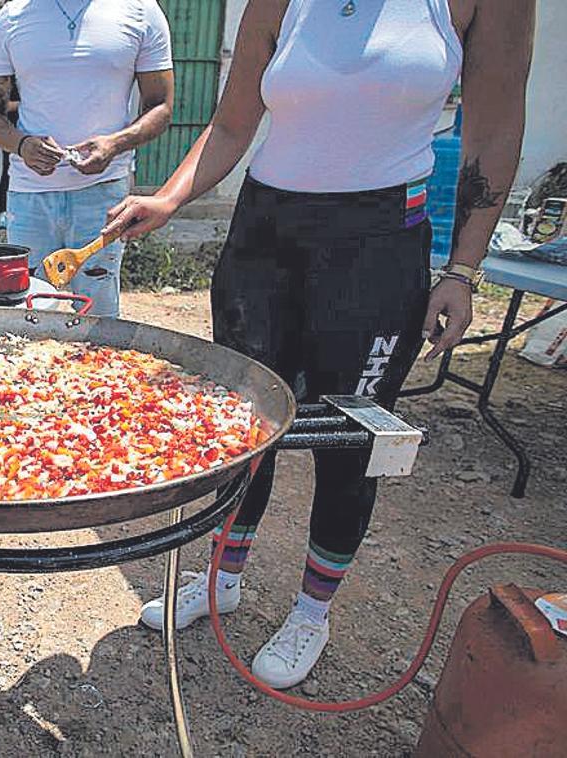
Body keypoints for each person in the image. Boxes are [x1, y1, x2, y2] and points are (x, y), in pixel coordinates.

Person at [105, 0, 534, 688]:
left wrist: (462, 268)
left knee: (351, 437)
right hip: (265, 234)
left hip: (378, 240)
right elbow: (232, 122)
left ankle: (312, 609)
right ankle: (224, 577)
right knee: (241, 425)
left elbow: (496, 125)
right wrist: (170, 197)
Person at [0, 0, 175, 318]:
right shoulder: (12, 17)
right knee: (32, 313)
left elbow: (161, 107)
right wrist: (23, 144)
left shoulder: (140, 10)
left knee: (99, 316)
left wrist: (114, 144)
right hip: (30, 196)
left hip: (104, 192)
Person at [0, 86, 21, 229]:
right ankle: (4, 212)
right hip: (11, 132)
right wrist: (23, 104)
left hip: (34, 130)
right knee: (8, 168)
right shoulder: (6, 80)